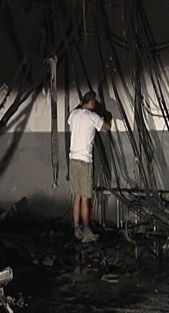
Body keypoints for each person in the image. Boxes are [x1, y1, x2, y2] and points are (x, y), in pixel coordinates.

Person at [68, 90, 111, 243]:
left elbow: (70, 121)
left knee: (76, 196)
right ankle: (87, 231)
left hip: (73, 159)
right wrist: (105, 116)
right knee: (86, 198)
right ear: (91, 103)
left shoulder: (73, 114)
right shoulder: (92, 116)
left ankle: (76, 229)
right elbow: (107, 127)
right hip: (85, 161)